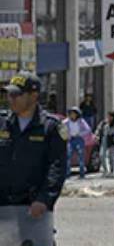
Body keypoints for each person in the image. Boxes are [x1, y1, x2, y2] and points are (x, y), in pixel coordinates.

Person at [0, 72, 67, 217]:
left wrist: (44, 199)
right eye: (9, 94)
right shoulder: (3, 123)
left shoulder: (50, 127)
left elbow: (57, 166)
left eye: (16, 95)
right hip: (3, 206)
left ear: (33, 95)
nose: (11, 99)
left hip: (33, 208)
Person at [64, 107, 92, 179]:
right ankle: (67, 174)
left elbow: (88, 129)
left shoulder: (81, 121)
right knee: (68, 156)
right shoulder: (66, 121)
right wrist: (67, 135)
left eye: (74, 113)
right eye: (71, 113)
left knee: (81, 156)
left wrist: (80, 134)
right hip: (70, 139)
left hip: (79, 139)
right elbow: (61, 128)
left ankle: (82, 174)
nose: (72, 115)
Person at [96, 111, 114, 177]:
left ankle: (112, 171)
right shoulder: (104, 123)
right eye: (108, 116)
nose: (109, 117)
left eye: (110, 116)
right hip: (104, 139)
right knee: (101, 155)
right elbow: (98, 129)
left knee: (111, 157)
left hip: (111, 141)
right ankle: (105, 170)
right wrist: (97, 135)